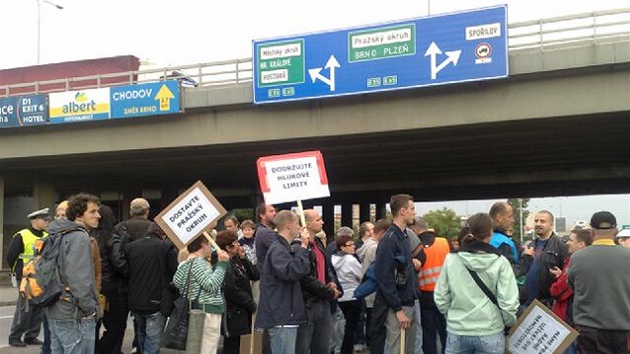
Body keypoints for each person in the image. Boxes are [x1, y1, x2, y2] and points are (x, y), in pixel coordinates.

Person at [434, 213, 519, 354]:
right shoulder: (500, 262)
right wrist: (507, 322)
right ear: (490, 233)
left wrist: (452, 316)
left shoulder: (451, 259)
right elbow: (508, 302)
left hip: (457, 330)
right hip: (490, 331)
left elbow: (441, 297)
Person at [568, 211, 630, 354]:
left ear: (591, 231)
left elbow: (573, 286)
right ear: (615, 230)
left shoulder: (577, 258)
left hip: (590, 331)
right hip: (624, 330)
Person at [46, 193, 101, 354]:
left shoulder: (57, 234)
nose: (98, 215)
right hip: (75, 313)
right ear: (78, 214)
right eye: (92, 211)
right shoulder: (79, 237)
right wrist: (91, 309)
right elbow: (79, 280)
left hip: (55, 307)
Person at [255, 210, 311, 354]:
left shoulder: (281, 247)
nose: (300, 227)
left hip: (284, 313)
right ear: (288, 226)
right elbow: (291, 272)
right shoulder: (278, 249)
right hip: (282, 315)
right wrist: (304, 247)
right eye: (297, 224)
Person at [124, 223, 178, 354]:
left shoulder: (130, 247)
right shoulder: (165, 247)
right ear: (163, 234)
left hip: (135, 301)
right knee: (153, 340)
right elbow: (174, 273)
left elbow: (126, 271)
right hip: (156, 302)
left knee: (141, 334)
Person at [292, 209, 340, 354]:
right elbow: (305, 278)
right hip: (307, 303)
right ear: (308, 224)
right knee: (303, 346)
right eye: (318, 220)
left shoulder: (319, 243)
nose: (322, 222)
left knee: (322, 347)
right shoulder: (298, 247)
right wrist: (329, 292)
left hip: (323, 302)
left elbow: (326, 267)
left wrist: (331, 281)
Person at [374, 194, 417, 353]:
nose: (414, 212)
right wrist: (398, 310)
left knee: (407, 349)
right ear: (402, 211)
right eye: (412, 209)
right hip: (398, 307)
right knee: (396, 349)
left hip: (408, 302)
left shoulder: (404, 236)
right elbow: (384, 277)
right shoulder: (389, 239)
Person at [174, 234, 230, 354]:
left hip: (196, 308)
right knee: (207, 348)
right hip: (208, 310)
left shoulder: (184, 263)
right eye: (210, 244)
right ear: (203, 245)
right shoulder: (198, 263)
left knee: (196, 348)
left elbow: (177, 283)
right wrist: (222, 265)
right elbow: (211, 285)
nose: (211, 248)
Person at [6, 208, 51, 347]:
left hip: (41, 277)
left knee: (39, 308)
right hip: (25, 277)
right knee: (25, 308)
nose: (47, 222)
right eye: (45, 220)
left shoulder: (47, 236)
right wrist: (17, 273)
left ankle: (31, 336)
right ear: (35, 221)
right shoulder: (22, 235)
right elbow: (11, 256)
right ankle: (15, 337)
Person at [93, 204, 129, 354]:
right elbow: (119, 263)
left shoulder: (88, 237)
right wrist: (128, 272)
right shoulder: (112, 238)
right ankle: (105, 350)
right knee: (116, 326)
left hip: (94, 286)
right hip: (110, 287)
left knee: (94, 326)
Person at [216, 230, 259, 354]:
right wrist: (249, 302)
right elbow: (231, 289)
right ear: (228, 247)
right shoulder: (224, 263)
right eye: (235, 243)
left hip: (241, 311)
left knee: (238, 344)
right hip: (233, 312)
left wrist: (243, 258)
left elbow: (255, 275)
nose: (239, 245)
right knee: (232, 346)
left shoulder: (236, 260)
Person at [413, 218, 448, 354]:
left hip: (424, 297)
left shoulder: (415, 248)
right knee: (446, 334)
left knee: (428, 335)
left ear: (415, 230)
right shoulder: (444, 242)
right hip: (444, 295)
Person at [521, 210, 569, 308]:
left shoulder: (561, 246)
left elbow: (567, 277)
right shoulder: (530, 246)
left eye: (542, 221)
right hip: (527, 304)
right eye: (536, 221)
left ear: (551, 225)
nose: (538, 224)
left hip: (548, 305)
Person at [356, 218, 390, 353]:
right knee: (377, 328)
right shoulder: (376, 248)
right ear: (383, 232)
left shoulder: (365, 247)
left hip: (367, 290)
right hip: (375, 291)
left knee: (371, 323)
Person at [332, 233, 363, 354]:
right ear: (342, 247)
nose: (353, 247)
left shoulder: (333, 259)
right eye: (350, 245)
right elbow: (361, 275)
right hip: (353, 296)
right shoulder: (351, 260)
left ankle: (338, 349)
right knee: (351, 328)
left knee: (339, 326)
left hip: (340, 296)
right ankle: (347, 351)